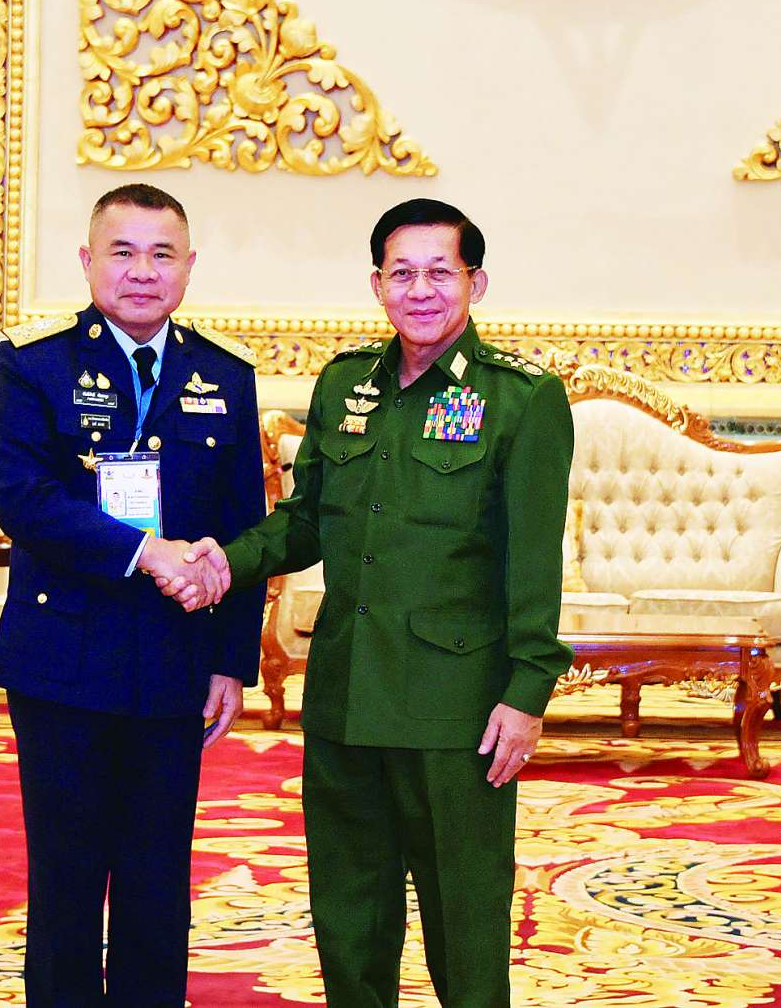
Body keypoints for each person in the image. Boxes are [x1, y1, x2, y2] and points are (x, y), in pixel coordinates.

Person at [160, 197, 574, 1008]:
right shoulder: (346, 383)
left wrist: (526, 694)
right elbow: (304, 521)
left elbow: (534, 562)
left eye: (439, 273)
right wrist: (222, 561)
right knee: (349, 918)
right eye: (401, 273)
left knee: (464, 920)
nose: (420, 291)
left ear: (476, 283)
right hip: (346, 697)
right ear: (377, 285)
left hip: (455, 711)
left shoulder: (520, 399)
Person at [0, 182, 266, 1008]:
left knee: (156, 876)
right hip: (62, 662)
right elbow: (25, 501)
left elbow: (242, 530)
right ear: (87, 260)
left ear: (188, 266)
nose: (142, 271)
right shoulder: (33, 365)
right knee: (66, 875)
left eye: (161, 254)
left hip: (175, 663)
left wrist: (231, 662)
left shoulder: (224, 374)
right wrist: (145, 551)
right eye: (123, 251)